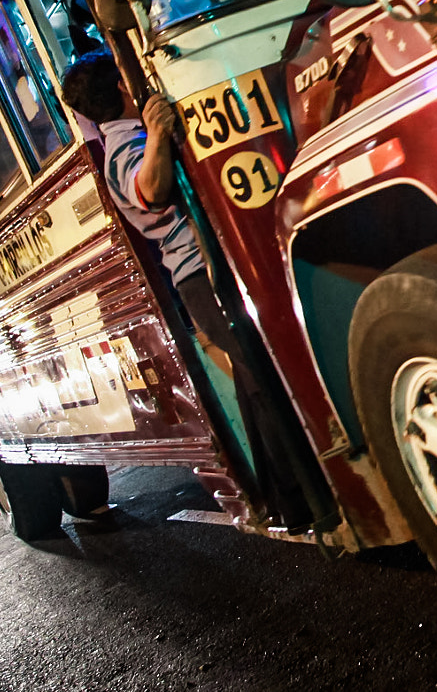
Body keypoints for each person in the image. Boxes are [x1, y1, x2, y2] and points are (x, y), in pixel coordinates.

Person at [59, 54, 312, 530]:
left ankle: (285, 500)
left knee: (252, 377)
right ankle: (302, 495)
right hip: (199, 275)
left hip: (202, 274)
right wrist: (156, 135)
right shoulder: (125, 146)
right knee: (261, 374)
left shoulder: (125, 139)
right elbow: (151, 188)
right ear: (122, 86)